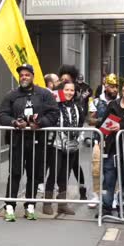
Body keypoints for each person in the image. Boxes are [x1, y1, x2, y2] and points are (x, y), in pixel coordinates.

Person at [0, 63, 59, 222]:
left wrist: (39, 124)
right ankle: (9, 206)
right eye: (21, 75)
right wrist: (14, 123)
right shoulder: (11, 95)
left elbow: (54, 114)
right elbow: (2, 114)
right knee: (15, 173)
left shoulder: (44, 94)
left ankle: (30, 205)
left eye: (27, 74)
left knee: (34, 173)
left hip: (37, 140)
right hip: (17, 141)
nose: (24, 77)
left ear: (33, 76)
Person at [42, 81, 85, 216]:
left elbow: (80, 126)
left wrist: (78, 139)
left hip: (72, 146)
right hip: (56, 145)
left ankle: (62, 204)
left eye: (72, 90)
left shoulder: (78, 108)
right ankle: (47, 204)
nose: (69, 92)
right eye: (66, 90)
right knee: (54, 173)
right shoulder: (55, 107)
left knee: (65, 175)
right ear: (61, 91)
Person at [98, 78, 124, 218]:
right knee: (108, 180)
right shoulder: (113, 104)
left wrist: (122, 126)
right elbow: (103, 124)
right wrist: (99, 138)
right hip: (111, 149)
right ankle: (106, 208)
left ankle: (122, 208)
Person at [88, 73, 120, 208]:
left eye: (116, 87)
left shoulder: (121, 102)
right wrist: (105, 122)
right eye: (112, 86)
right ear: (105, 86)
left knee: (115, 169)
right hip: (98, 139)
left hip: (115, 141)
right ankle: (96, 194)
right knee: (96, 167)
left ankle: (113, 196)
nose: (115, 89)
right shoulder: (95, 101)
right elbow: (90, 120)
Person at [58, 64, 88, 200]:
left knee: (75, 166)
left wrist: (78, 136)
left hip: (74, 138)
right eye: (62, 80)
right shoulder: (58, 92)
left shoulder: (76, 97)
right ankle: (60, 192)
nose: (65, 82)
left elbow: (81, 120)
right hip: (59, 140)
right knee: (58, 167)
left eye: (67, 79)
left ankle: (82, 188)